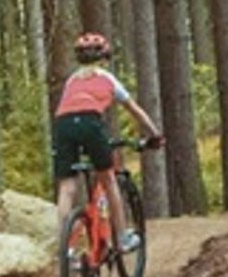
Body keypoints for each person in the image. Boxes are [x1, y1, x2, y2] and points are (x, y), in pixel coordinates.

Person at [47, 31, 163, 245]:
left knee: (67, 187)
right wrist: (154, 134)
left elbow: (68, 110)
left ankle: (66, 248)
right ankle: (122, 238)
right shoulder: (106, 78)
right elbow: (134, 109)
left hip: (62, 125)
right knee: (109, 180)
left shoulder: (71, 81)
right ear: (103, 58)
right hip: (91, 123)